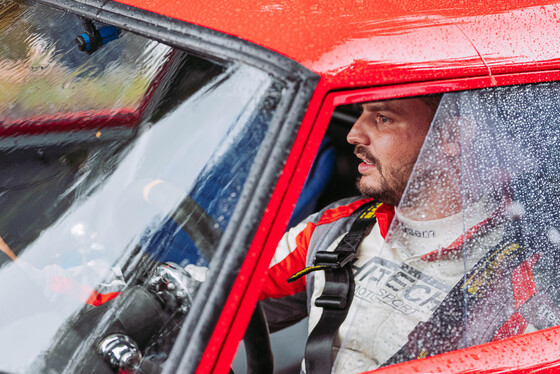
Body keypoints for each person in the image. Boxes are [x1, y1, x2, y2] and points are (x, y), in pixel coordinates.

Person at [259, 94, 532, 373]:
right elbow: (225, 299)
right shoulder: (337, 225)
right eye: (360, 113)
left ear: (452, 137)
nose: (353, 135)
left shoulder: (521, 274)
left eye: (382, 118)